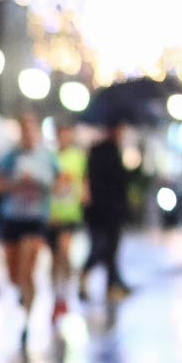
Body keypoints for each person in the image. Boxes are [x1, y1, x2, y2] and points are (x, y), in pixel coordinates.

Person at [0, 113, 57, 348]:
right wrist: (15, 183)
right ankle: (21, 295)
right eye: (23, 130)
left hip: (35, 219)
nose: (28, 135)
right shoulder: (9, 157)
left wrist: (40, 183)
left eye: (31, 130)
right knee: (14, 274)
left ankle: (27, 320)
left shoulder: (47, 157)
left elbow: (61, 185)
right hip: (12, 218)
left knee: (28, 269)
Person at [80, 121, 133, 301]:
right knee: (102, 248)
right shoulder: (104, 151)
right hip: (103, 210)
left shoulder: (113, 150)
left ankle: (113, 284)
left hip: (107, 210)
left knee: (111, 249)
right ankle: (86, 275)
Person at [47, 122, 86, 320]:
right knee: (54, 259)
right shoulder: (50, 158)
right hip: (51, 213)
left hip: (70, 213)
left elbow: (83, 180)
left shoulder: (78, 157)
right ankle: (57, 296)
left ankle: (66, 291)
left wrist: (85, 194)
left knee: (65, 251)